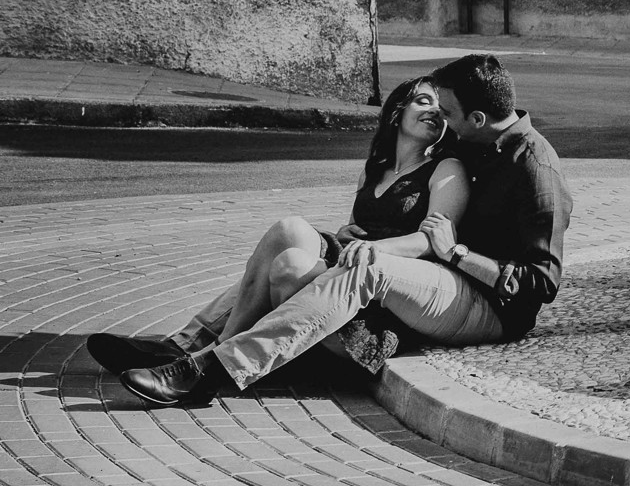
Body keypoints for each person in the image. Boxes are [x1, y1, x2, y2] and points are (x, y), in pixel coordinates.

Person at [100, 53, 573, 409]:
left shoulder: (535, 169)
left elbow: (542, 284)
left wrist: (457, 254)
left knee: (371, 267)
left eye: (447, 113)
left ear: (475, 118)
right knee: (293, 237)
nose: (441, 123)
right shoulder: (477, 143)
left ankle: (214, 370)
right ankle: (187, 345)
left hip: (489, 306)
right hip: (444, 279)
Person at [85, 75, 470, 381]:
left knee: (288, 267)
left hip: (371, 299)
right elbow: (359, 226)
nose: (435, 110)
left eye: (442, 107)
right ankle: (187, 345)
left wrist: (379, 248)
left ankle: (205, 356)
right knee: (289, 230)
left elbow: (431, 240)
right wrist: (347, 232)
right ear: (396, 112)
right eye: (424, 100)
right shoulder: (375, 170)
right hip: (349, 267)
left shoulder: (445, 170)